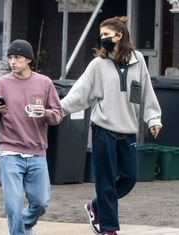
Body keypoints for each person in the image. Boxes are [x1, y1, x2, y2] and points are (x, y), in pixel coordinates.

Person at [61, 16, 162, 235]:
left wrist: (153, 118)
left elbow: (146, 92)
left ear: (120, 36)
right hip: (103, 130)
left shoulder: (138, 61)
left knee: (129, 178)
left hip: (128, 131)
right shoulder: (98, 65)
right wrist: (58, 110)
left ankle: (96, 206)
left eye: (107, 35)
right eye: (101, 35)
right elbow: (80, 92)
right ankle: (109, 229)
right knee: (105, 181)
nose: (103, 39)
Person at [0, 39, 62, 235]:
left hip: (37, 153)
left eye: (17, 57)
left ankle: (24, 226)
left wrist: (45, 113)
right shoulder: (1, 84)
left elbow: (57, 114)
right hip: (9, 153)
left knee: (41, 202)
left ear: (28, 59)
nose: (13, 62)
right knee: (12, 205)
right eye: (10, 58)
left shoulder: (45, 83)